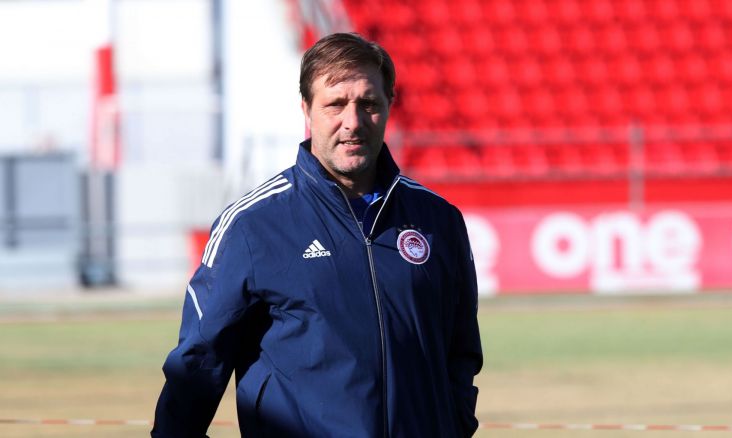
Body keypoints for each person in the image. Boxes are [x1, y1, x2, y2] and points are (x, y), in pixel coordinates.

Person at [151, 32, 483, 438]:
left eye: (368, 104)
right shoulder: (252, 225)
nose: (353, 122)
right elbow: (197, 366)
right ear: (307, 109)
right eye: (335, 104)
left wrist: (455, 423)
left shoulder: (438, 220)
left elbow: (461, 351)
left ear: (389, 104)